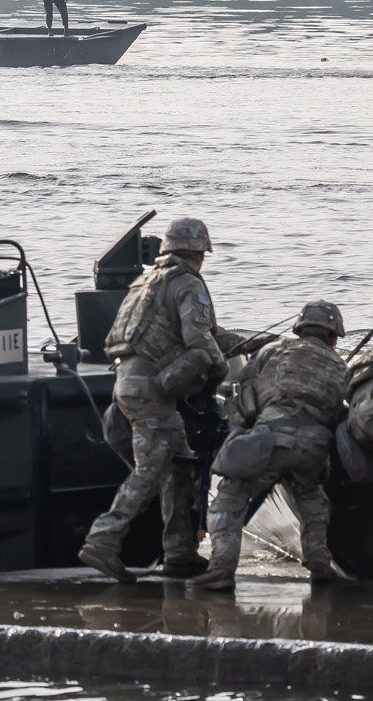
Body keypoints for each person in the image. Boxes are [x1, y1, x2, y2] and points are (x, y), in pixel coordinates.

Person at [79, 216, 244, 583]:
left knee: (179, 465)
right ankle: (103, 540)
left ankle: (180, 552)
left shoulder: (146, 281)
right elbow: (201, 341)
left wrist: (244, 342)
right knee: (152, 468)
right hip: (152, 389)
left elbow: (196, 334)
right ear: (200, 252)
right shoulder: (187, 282)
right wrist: (218, 370)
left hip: (129, 380)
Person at [196, 300, 352, 591]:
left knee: (231, 496)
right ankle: (319, 565)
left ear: (300, 330)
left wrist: (242, 425)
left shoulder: (273, 350)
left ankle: (220, 570)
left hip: (272, 440)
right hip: (315, 448)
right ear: (334, 337)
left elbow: (247, 394)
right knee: (312, 499)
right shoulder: (340, 365)